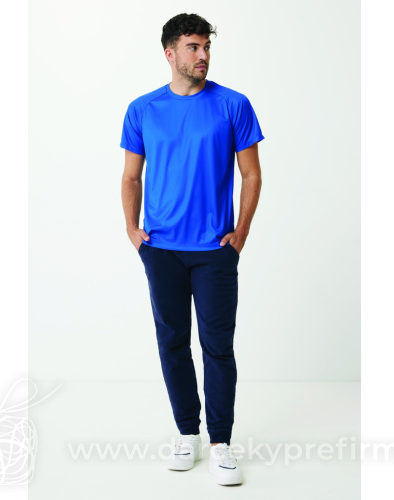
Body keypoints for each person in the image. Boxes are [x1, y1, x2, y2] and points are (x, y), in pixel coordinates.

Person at [120, 12, 264, 486]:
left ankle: (220, 443)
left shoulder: (233, 104)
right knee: (172, 343)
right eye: (193, 47)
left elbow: (251, 174)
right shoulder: (143, 109)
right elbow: (131, 177)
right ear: (170, 53)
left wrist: (240, 234)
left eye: (207, 47)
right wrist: (133, 230)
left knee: (217, 346)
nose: (203, 55)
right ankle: (188, 434)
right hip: (161, 249)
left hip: (214, 250)